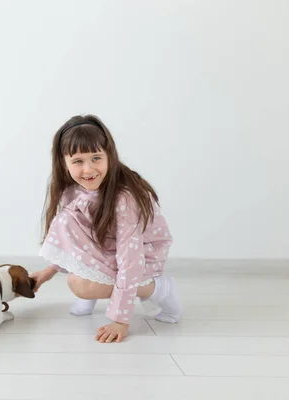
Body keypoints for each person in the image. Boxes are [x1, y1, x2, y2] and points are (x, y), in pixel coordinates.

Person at [30, 114, 182, 343]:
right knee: (65, 221)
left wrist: (121, 320)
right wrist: (48, 271)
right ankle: (93, 289)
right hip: (105, 247)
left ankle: (159, 288)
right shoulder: (71, 190)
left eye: (96, 158)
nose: (88, 169)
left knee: (78, 284)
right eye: (78, 161)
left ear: (109, 156)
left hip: (141, 257)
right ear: (64, 163)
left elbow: (131, 260)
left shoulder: (124, 198)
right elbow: (74, 234)